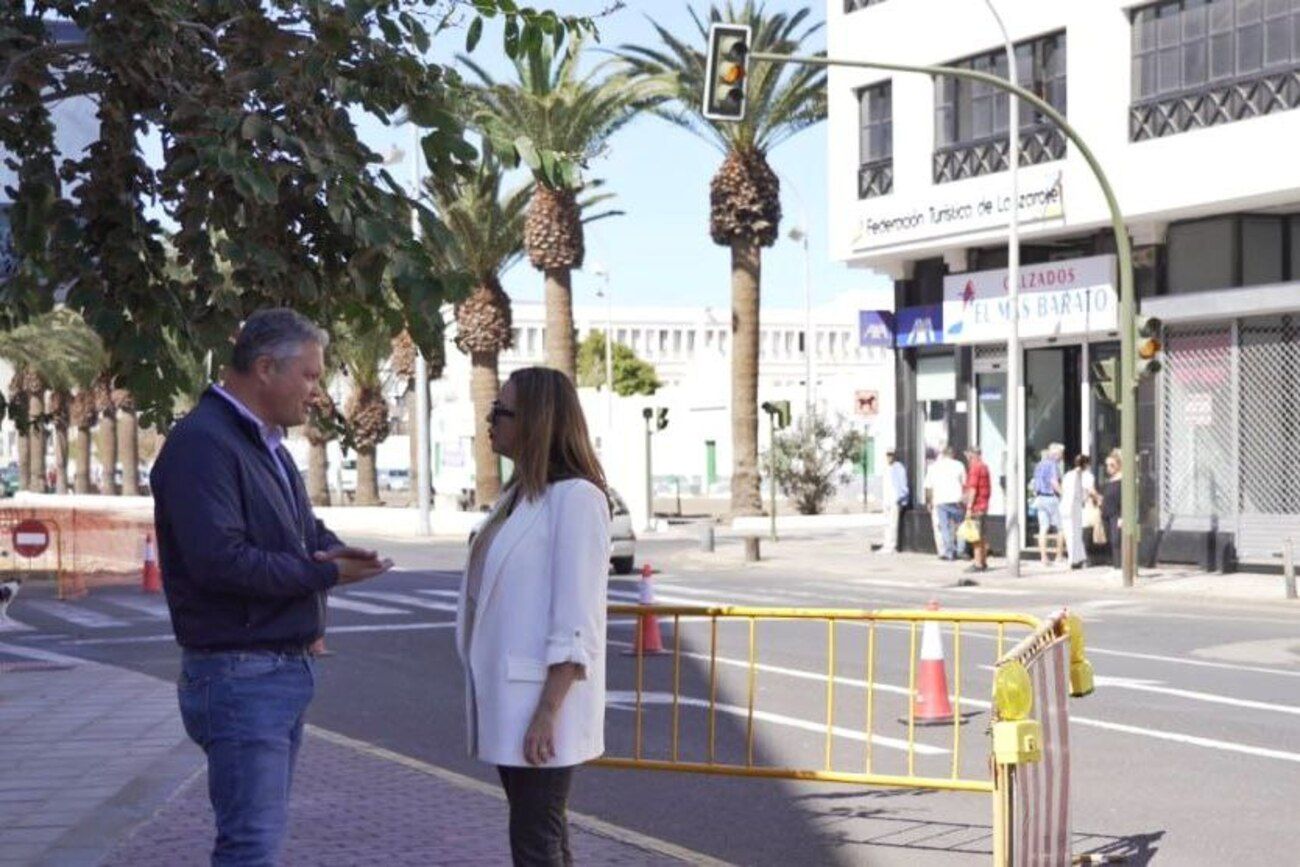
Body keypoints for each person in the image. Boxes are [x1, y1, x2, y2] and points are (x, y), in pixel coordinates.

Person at [150, 309, 393, 865]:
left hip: (270, 670)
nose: (317, 391)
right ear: (265, 368)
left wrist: (336, 550)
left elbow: (298, 533)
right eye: (309, 376)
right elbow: (220, 562)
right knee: (251, 845)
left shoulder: (267, 445)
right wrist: (327, 573)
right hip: (240, 672)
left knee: (258, 838)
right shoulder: (203, 444)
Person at [457, 366, 611, 867]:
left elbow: (576, 617)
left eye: (500, 411)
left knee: (535, 835)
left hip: (541, 701)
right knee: (539, 831)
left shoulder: (578, 499)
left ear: (537, 420)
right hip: (510, 696)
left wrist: (549, 709)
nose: (489, 420)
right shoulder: (519, 495)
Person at [924, 446, 966, 561]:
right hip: (956, 500)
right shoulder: (959, 465)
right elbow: (964, 484)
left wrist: (929, 501)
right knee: (960, 525)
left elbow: (928, 487)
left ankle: (949, 552)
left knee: (944, 527)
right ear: (953, 454)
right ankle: (960, 549)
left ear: (943, 454)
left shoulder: (934, 467)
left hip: (940, 500)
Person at [1060, 454, 1099, 570]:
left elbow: (1063, 489)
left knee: (1070, 533)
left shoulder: (1068, 475)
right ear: (1086, 464)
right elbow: (1090, 490)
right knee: (1078, 533)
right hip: (1080, 507)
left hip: (1066, 507)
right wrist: (1099, 498)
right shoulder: (1087, 476)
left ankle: (1075, 558)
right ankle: (1078, 559)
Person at [1031, 445, 1065, 566]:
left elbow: (1034, 484)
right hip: (1051, 498)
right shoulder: (1053, 465)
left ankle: (1043, 557)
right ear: (1056, 454)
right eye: (1061, 454)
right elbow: (1054, 482)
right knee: (1061, 528)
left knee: (1043, 528)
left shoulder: (1039, 465)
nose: (1062, 456)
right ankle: (1059, 556)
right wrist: (1064, 494)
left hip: (1040, 498)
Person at [963, 446, 992, 572]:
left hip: (976, 506)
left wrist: (969, 507)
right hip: (984, 505)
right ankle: (983, 561)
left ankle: (978, 563)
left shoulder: (975, 468)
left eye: (968, 456)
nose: (967, 459)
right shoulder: (984, 466)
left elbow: (973, 489)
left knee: (975, 536)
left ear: (971, 455)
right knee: (982, 535)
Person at [879, 449, 909, 554]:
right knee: (886, 523)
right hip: (886, 499)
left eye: (891, 455)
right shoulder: (886, 468)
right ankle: (886, 544)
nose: (889, 457)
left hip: (894, 499)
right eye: (888, 455)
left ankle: (892, 546)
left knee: (893, 524)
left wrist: (901, 498)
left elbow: (903, 484)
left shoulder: (899, 468)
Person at [1100, 449, 1124, 571]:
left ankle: (1119, 566)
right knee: (1111, 540)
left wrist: (1122, 516)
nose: (1109, 468)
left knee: (1116, 540)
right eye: (1107, 465)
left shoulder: (1122, 480)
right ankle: (1115, 565)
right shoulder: (1110, 480)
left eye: (1112, 465)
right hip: (1107, 514)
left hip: (1116, 514)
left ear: (1119, 465)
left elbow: (1124, 499)